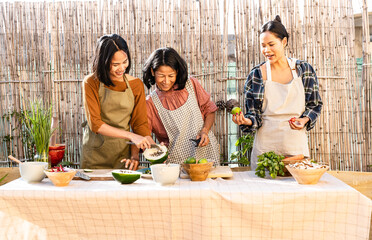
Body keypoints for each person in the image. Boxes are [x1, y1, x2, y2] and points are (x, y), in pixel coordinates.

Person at [232, 16, 322, 170]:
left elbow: (314, 105)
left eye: (271, 44)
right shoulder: (256, 75)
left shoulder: (304, 70)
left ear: (284, 42)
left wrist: (304, 120)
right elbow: (254, 115)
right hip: (265, 147)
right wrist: (247, 121)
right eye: (263, 45)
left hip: (295, 146)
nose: (266, 50)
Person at [81, 34, 155, 170]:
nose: (122, 68)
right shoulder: (90, 83)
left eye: (125, 62)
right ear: (104, 61)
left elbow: (139, 125)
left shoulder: (136, 85)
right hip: (94, 157)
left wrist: (139, 154)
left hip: (123, 156)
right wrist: (131, 136)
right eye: (115, 64)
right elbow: (95, 125)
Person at [142, 47, 220, 165]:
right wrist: (158, 150)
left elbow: (210, 110)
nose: (166, 81)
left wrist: (205, 131)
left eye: (171, 75)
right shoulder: (151, 103)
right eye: (161, 75)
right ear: (152, 72)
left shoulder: (191, 84)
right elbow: (145, 137)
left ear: (177, 71)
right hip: (176, 162)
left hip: (207, 154)